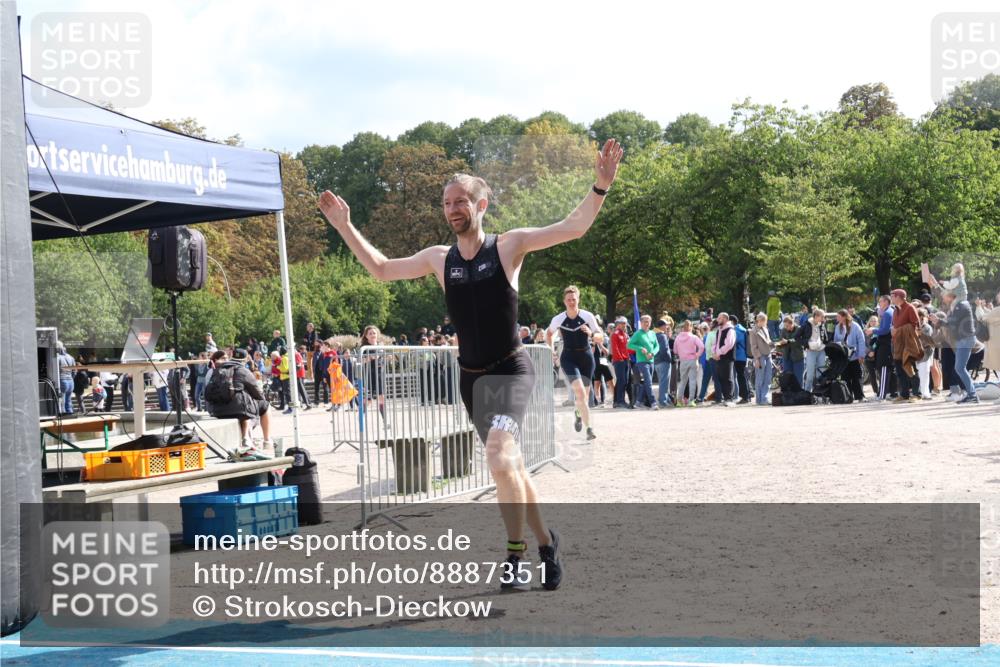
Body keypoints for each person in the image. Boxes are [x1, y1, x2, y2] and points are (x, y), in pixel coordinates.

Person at [318, 138, 624, 591]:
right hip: (471, 379)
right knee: (510, 469)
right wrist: (345, 226)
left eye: (461, 201)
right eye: (446, 203)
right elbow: (381, 268)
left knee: (498, 458)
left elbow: (572, 226)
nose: (452, 209)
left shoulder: (509, 247)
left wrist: (600, 186)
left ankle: (515, 557)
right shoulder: (438, 259)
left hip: (511, 370)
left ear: (481, 204)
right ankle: (546, 543)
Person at [546, 285, 600, 439]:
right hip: (569, 358)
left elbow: (599, 335)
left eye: (574, 299)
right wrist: (551, 352)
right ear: (564, 301)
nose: (571, 302)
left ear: (578, 300)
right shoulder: (558, 319)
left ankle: (578, 412)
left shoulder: (588, 316)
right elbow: (549, 335)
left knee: (584, 397)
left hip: (586, 357)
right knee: (580, 392)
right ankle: (589, 429)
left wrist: (591, 333)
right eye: (568, 300)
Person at [205, 349, 274, 451]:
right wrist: (262, 399)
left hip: (216, 410)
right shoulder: (243, 370)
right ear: (246, 359)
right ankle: (267, 441)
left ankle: (247, 438)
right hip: (238, 410)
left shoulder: (218, 369)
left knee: (242, 405)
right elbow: (257, 392)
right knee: (264, 406)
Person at [833, 309, 867, 402]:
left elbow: (861, 341)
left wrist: (861, 355)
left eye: (838, 316)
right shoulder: (837, 327)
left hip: (855, 356)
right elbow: (835, 341)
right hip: (844, 357)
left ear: (844, 317)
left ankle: (860, 397)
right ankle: (848, 397)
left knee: (857, 377)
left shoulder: (855, 326)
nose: (837, 318)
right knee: (845, 377)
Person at [627, 315, 659, 410]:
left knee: (646, 383)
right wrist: (640, 348)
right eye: (645, 321)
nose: (647, 323)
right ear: (641, 323)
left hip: (651, 361)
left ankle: (638, 402)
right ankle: (653, 403)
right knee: (648, 382)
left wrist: (652, 353)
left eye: (648, 321)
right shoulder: (638, 334)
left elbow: (657, 346)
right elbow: (629, 345)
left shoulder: (653, 333)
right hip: (641, 361)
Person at [673, 320, 704, 406]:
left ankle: (679, 401)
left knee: (683, 381)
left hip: (683, 361)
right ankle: (691, 401)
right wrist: (697, 355)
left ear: (683, 328)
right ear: (690, 327)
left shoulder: (678, 338)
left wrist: (681, 352)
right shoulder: (694, 337)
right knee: (692, 381)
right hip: (693, 360)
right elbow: (701, 346)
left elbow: (675, 351)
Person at [797, 309, 829, 392]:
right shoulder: (806, 324)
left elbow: (825, 338)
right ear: (816, 316)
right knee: (810, 374)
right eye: (822, 316)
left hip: (821, 351)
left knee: (821, 373)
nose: (823, 318)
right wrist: (807, 344)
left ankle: (820, 392)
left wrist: (825, 344)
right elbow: (797, 337)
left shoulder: (822, 325)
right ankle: (807, 393)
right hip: (811, 351)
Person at [749, 313, 774, 405]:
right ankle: (759, 399)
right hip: (760, 356)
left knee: (768, 378)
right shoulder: (753, 331)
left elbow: (769, 341)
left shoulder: (765, 329)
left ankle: (765, 398)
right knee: (760, 378)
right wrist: (757, 359)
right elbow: (753, 346)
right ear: (760, 320)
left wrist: (775, 344)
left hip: (768, 355)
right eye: (764, 321)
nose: (765, 322)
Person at [610, 316, 632, 409]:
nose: (625, 325)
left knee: (623, 381)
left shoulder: (625, 334)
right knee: (622, 381)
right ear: (618, 324)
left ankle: (617, 401)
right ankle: (620, 401)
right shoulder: (615, 334)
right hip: (619, 361)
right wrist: (620, 358)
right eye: (623, 323)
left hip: (626, 360)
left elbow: (628, 348)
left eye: (625, 323)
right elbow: (615, 348)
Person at [777, 315, 804, 387]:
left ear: (792, 324)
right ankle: (788, 395)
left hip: (798, 358)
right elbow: (780, 341)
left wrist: (788, 341)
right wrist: (780, 344)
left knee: (798, 378)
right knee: (787, 377)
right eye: (785, 326)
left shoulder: (799, 329)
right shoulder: (783, 330)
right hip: (786, 357)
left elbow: (799, 341)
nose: (786, 327)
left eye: (787, 326)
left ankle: (799, 394)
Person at [590, 331, 615, 408]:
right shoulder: (591, 344)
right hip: (595, 363)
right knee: (597, 382)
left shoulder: (604, 343)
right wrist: (594, 345)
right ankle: (598, 400)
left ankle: (614, 398)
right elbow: (591, 354)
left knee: (610, 380)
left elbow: (607, 353)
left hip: (604, 361)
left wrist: (601, 345)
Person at [653, 319, 673, 408]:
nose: (667, 327)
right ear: (662, 326)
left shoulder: (653, 334)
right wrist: (670, 359)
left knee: (661, 381)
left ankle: (665, 399)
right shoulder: (662, 336)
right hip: (664, 361)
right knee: (664, 382)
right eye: (666, 325)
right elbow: (664, 350)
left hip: (656, 361)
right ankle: (663, 401)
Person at [732, 316, 750, 404]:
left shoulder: (737, 330)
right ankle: (747, 396)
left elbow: (734, 341)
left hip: (739, 357)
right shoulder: (742, 329)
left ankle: (745, 397)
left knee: (741, 377)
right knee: (743, 376)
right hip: (743, 356)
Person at [55, 343, 75, 415]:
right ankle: (69, 412)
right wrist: (71, 378)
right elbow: (74, 371)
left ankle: (63, 414)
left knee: (62, 400)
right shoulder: (70, 357)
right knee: (68, 400)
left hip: (62, 380)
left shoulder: (57, 357)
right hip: (71, 381)